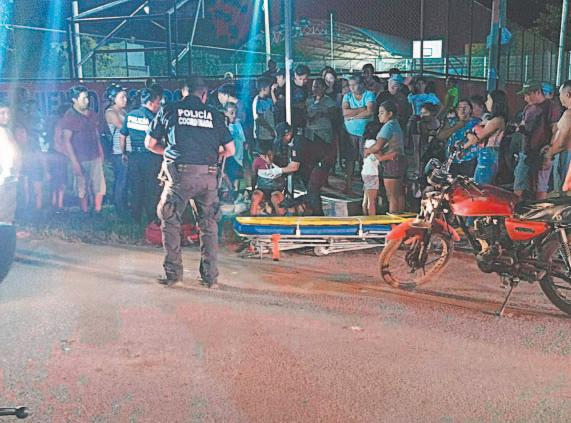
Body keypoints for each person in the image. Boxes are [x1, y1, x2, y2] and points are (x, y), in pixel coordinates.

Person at [145, 77, 235, 288]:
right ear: (204, 95)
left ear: (182, 92)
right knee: (209, 225)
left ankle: (174, 276)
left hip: (179, 176)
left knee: (170, 220)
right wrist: (211, 155)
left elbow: (149, 143)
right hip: (208, 176)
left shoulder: (169, 110)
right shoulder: (215, 114)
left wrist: (169, 153)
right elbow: (230, 150)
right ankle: (210, 278)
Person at [120, 85, 164, 223]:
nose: (159, 105)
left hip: (134, 156)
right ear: (150, 103)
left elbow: (123, 135)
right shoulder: (154, 118)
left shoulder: (130, 115)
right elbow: (159, 138)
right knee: (152, 187)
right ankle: (152, 217)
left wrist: (123, 153)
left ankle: (136, 216)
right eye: (158, 103)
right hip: (151, 157)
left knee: (136, 187)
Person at [60, 86, 106, 214]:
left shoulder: (91, 114)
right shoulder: (70, 116)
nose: (87, 101)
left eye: (87, 98)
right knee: (82, 186)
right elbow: (66, 140)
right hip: (80, 157)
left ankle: (97, 210)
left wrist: (100, 151)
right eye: (84, 98)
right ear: (74, 100)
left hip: (94, 155)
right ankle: (84, 212)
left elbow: (96, 134)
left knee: (99, 185)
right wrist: (74, 161)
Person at [513, 81, 561, 199]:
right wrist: (519, 128)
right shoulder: (528, 108)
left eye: (528, 94)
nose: (525, 98)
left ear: (537, 92)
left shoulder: (550, 107)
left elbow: (555, 129)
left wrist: (550, 152)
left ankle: (539, 207)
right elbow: (524, 124)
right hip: (526, 152)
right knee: (519, 184)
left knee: (540, 186)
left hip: (541, 152)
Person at [364, 101, 406, 213]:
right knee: (398, 194)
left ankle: (394, 220)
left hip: (392, 162)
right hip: (398, 160)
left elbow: (378, 146)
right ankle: (400, 218)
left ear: (390, 114)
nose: (379, 115)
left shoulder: (388, 126)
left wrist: (367, 151)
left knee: (392, 196)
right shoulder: (395, 124)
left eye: (382, 113)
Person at [463, 90, 507, 185]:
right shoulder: (492, 119)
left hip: (488, 155)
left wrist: (468, 133)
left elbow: (477, 138)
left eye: (488, 100)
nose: (486, 102)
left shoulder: (497, 120)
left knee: (480, 186)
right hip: (485, 154)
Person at [342, 75, 376, 193]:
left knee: (365, 159)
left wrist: (353, 116)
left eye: (354, 84)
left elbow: (370, 111)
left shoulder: (369, 95)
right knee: (350, 159)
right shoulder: (347, 96)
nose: (351, 87)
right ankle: (348, 185)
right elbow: (345, 112)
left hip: (365, 133)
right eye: (349, 85)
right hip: (350, 132)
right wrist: (362, 109)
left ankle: (366, 186)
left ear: (361, 84)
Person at [438, 99, 481, 177]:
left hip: (469, 160)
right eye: (459, 107)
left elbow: (476, 140)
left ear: (470, 109)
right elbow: (440, 136)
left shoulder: (476, 122)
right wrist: (457, 126)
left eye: (465, 107)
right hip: (451, 160)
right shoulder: (451, 121)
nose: (462, 110)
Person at [105, 84, 130, 213]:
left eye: (125, 96)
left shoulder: (124, 111)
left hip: (128, 149)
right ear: (113, 98)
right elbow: (122, 127)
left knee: (126, 180)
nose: (125, 99)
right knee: (121, 180)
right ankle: (119, 207)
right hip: (119, 151)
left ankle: (124, 204)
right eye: (122, 97)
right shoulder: (111, 112)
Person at [545, 81, 571, 192]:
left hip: (565, 156)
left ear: (568, 94)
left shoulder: (569, 115)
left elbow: (562, 143)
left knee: (562, 192)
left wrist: (550, 153)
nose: (559, 97)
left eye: (560, 94)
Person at [0, 100, 20, 224]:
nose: (6, 116)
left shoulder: (7, 131)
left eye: (8, 113)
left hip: (10, 174)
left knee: (9, 203)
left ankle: (7, 228)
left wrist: (15, 169)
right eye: (2, 113)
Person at [223, 102, 246, 196]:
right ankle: (229, 193)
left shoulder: (238, 125)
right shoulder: (224, 126)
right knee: (229, 176)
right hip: (230, 156)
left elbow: (243, 140)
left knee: (237, 177)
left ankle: (236, 194)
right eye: (231, 113)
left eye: (235, 113)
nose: (234, 115)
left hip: (238, 156)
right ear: (225, 113)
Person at [252, 77, 276, 152]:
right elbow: (259, 119)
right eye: (268, 87)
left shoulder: (269, 100)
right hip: (262, 136)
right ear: (263, 88)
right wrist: (270, 130)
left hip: (271, 135)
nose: (269, 89)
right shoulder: (258, 101)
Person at [361, 138, 380, 215]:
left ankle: (365, 214)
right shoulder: (374, 144)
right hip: (372, 174)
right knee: (371, 200)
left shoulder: (366, 142)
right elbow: (379, 158)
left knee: (366, 197)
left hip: (365, 172)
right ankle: (372, 218)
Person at [291, 64, 311, 132]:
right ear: (295, 75)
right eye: (300, 79)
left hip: (302, 120)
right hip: (290, 119)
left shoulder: (306, 87)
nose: (302, 82)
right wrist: (296, 105)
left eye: (305, 79)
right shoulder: (288, 86)